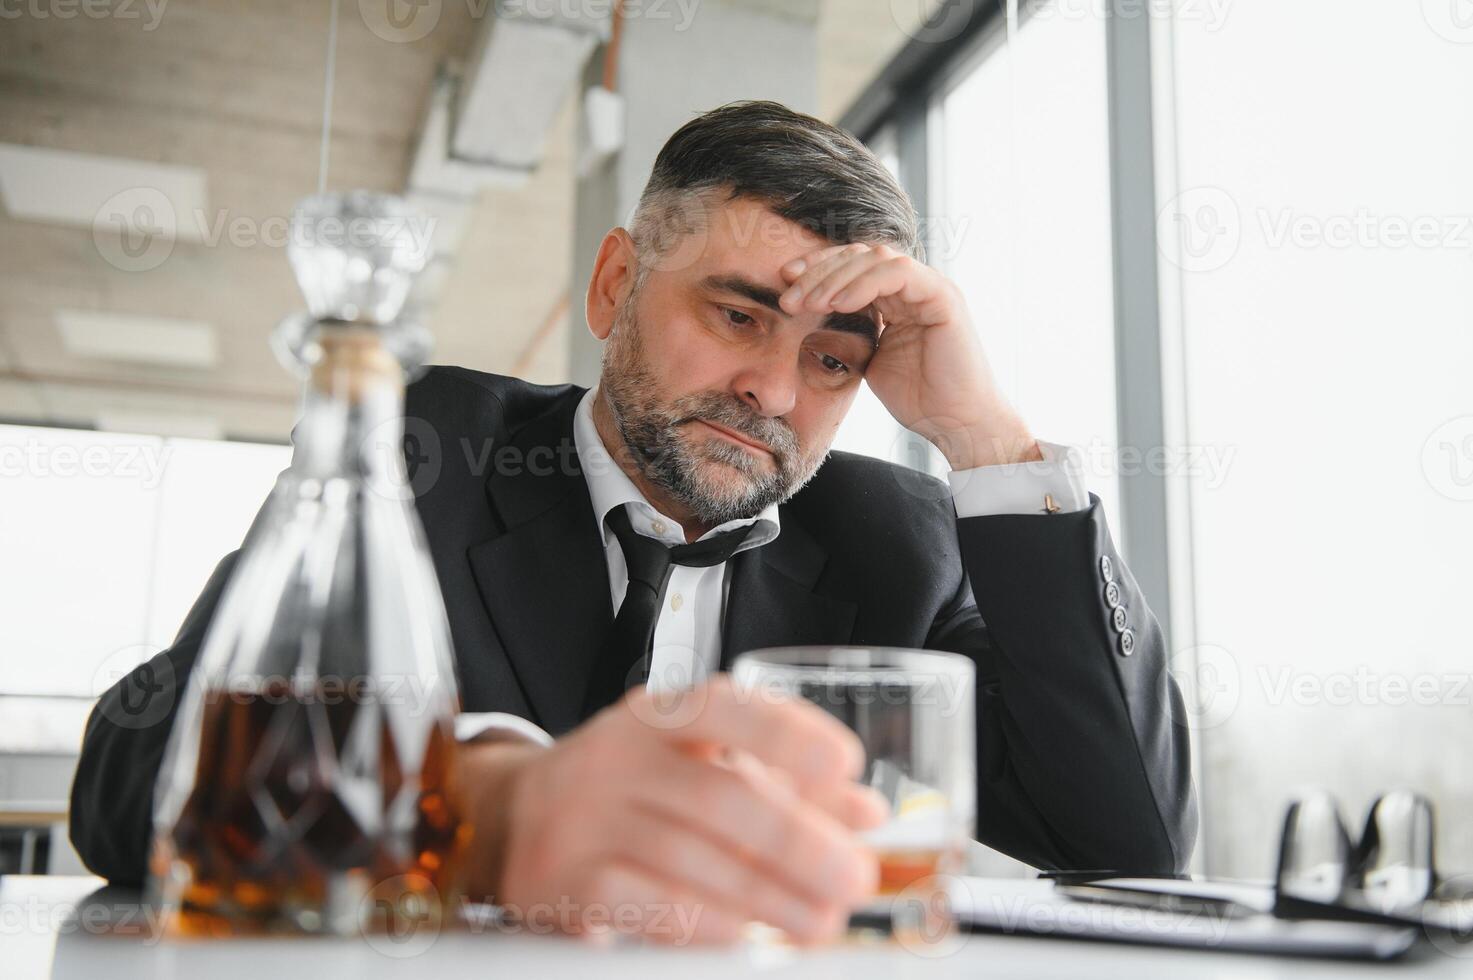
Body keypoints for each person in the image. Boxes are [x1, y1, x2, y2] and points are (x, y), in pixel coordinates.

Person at [71, 100, 1195, 945]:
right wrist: (488, 806)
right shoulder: (430, 453)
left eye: (833, 359)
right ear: (614, 285)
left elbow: (1131, 836)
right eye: (739, 312)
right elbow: (134, 777)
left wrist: (984, 435)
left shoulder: (901, 536)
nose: (773, 389)